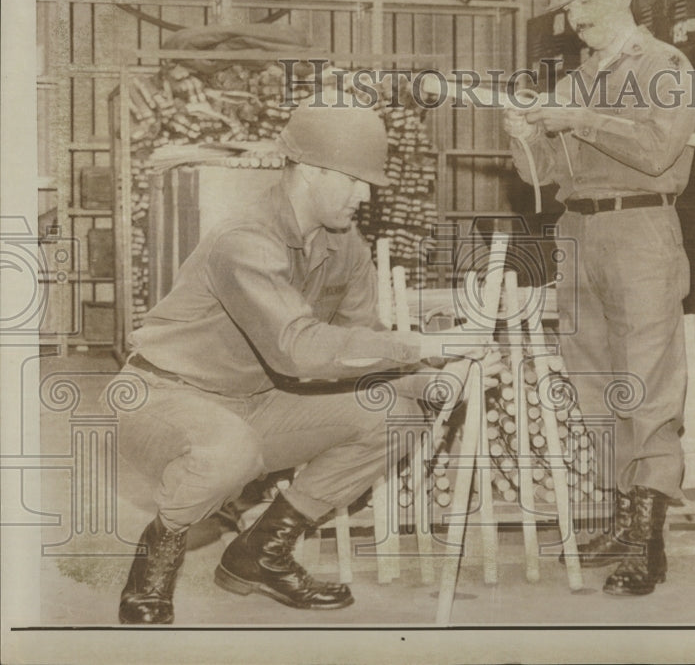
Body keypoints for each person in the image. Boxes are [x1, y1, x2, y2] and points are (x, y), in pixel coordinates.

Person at [114, 104, 493, 624]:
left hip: (257, 400)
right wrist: (423, 345)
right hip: (164, 397)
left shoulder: (345, 245)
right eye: (356, 180)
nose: (366, 195)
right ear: (309, 171)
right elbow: (297, 349)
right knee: (229, 451)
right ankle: (160, 546)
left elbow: (368, 344)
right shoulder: (244, 238)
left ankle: (261, 551)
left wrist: (436, 382)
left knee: (398, 412)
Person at [504, 0, 695, 597]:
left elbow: (656, 149)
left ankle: (648, 540)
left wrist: (577, 117)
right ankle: (623, 515)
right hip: (578, 234)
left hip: (642, 228)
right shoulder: (576, 78)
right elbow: (546, 179)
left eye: (584, 1)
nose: (573, 19)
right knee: (594, 382)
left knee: (644, 382)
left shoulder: (663, 65)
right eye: (566, 8)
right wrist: (524, 137)